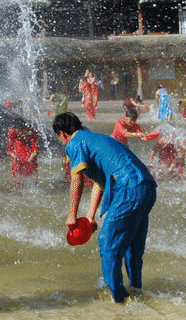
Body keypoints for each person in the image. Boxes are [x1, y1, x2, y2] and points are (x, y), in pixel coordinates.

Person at [53, 111, 156, 304]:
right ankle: (136, 290)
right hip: (147, 186)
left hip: (128, 188)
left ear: (62, 134)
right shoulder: (93, 138)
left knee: (107, 242)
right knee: (131, 245)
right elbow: (100, 183)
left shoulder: (74, 142)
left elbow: (77, 179)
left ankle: (119, 298)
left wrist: (71, 215)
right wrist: (90, 217)